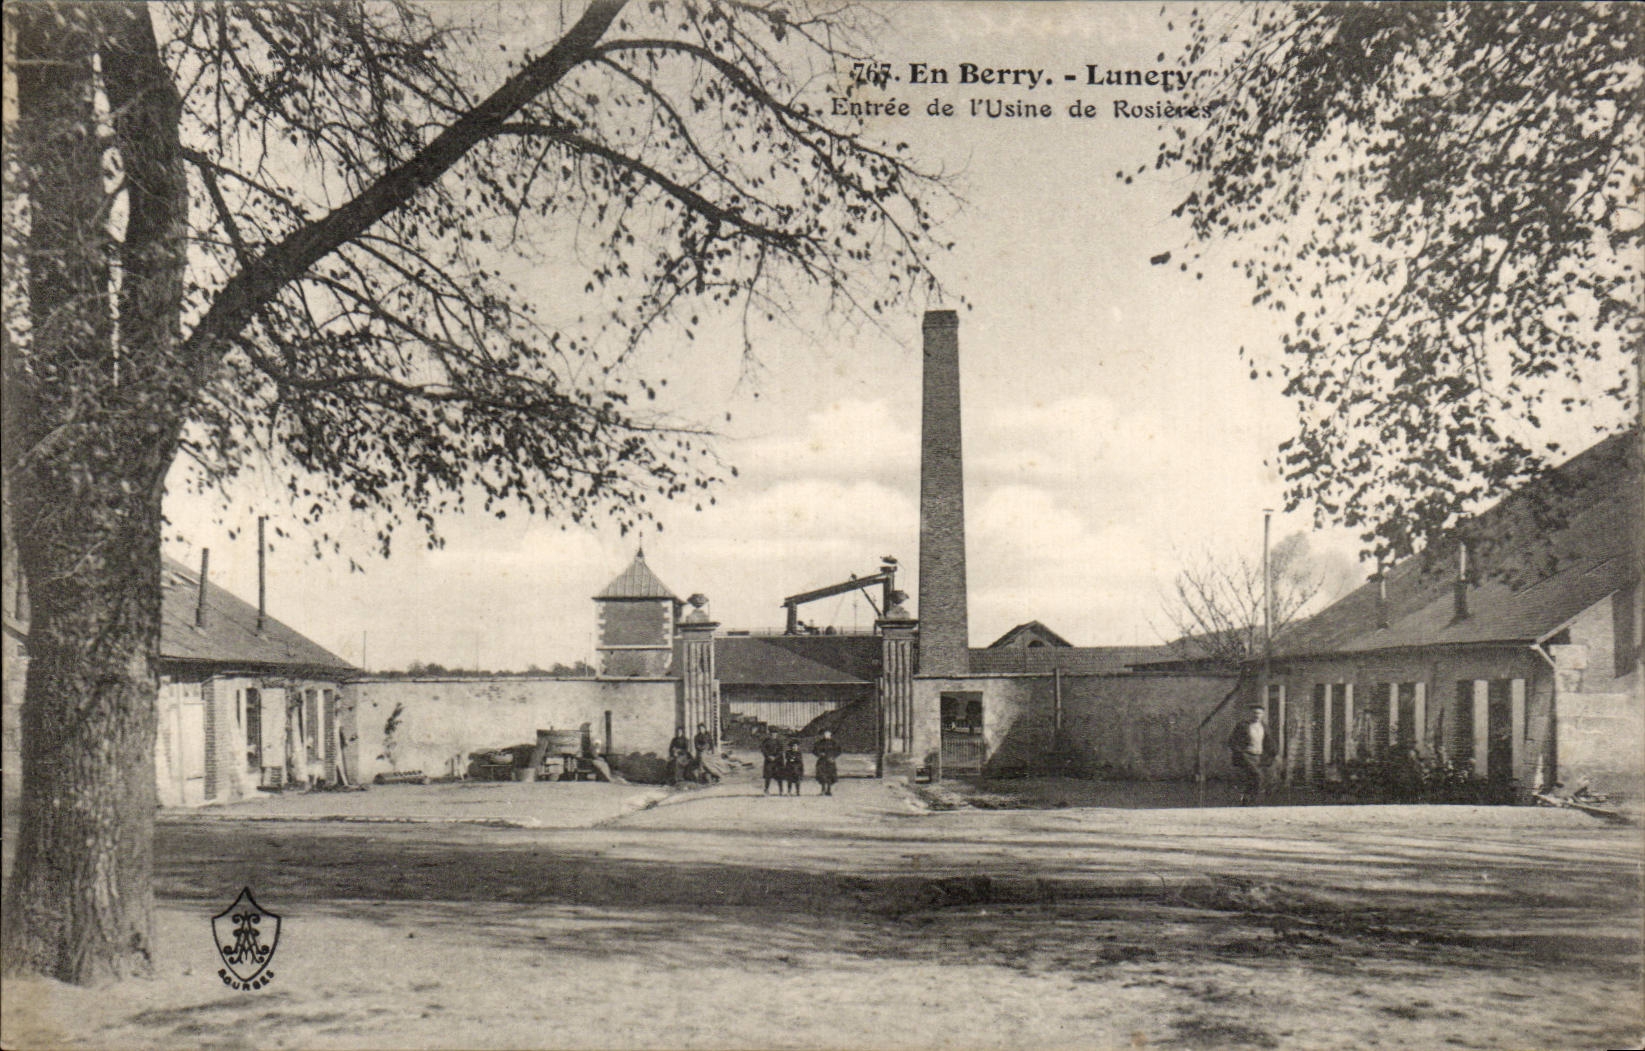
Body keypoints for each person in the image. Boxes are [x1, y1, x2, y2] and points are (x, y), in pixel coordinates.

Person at [1227, 705, 1277, 805]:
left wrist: (1274, 753)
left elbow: (1269, 742)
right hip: (1246, 756)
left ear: (1262, 715)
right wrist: (1240, 753)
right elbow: (1232, 741)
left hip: (1258, 757)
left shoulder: (1264, 727)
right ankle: (1253, 801)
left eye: (1259, 713)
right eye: (1254, 713)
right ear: (1250, 714)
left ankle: (1246, 799)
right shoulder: (1243, 726)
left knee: (1256, 779)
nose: (1256, 715)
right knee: (1257, 776)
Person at [813, 729, 842, 796]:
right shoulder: (820, 742)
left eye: (828, 734)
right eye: (825, 734)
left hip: (830, 761)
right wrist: (819, 754)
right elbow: (814, 750)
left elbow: (839, 751)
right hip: (822, 761)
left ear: (830, 734)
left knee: (830, 776)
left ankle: (829, 790)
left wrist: (833, 756)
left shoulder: (834, 743)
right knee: (822, 775)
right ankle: (823, 790)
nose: (826, 735)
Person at [760, 730, 785, 795]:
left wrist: (776, 757)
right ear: (770, 734)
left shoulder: (779, 741)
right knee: (768, 775)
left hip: (778, 761)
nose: (773, 734)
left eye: (775, 733)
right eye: (772, 733)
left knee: (779, 775)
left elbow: (781, 750)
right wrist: (768, 756)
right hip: (769, 761)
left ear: (777, 734)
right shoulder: (766, 741)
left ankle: (781, 790)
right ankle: (766, 790)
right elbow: (763, 749)